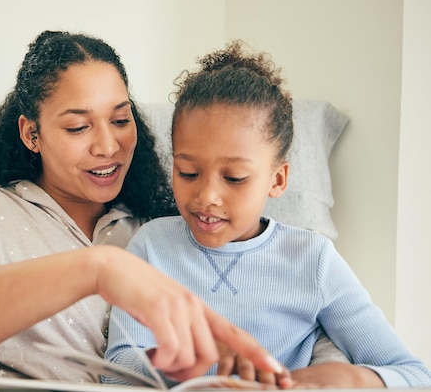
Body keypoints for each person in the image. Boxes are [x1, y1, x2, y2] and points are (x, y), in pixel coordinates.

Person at [0, 31, 293, 392]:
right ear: (31, 133)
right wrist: (93, 269)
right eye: (78, 126)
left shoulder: (171, 228)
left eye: (121, 121)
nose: (108, 146)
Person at [103, 40, 431, 389]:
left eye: (234, 178)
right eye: (187, 173)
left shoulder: (312, 259)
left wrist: (353, 378)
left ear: (277, 179)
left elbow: (413, 375)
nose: (207, 196)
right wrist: (185, 360)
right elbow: (115, 371)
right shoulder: (152, 246)